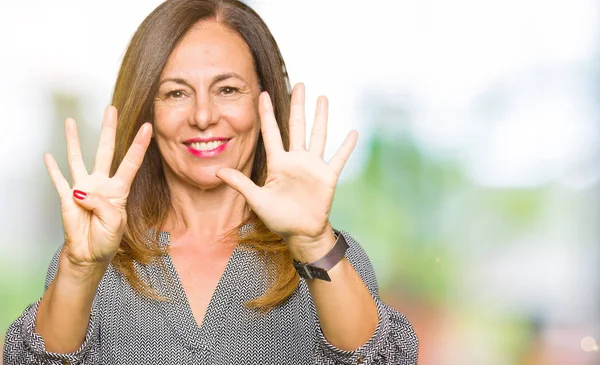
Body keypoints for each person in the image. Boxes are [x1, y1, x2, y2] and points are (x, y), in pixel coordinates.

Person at [3, 0, 418, 363]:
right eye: (176, 94)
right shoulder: (93, 256)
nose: (203, 116)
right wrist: (79, 270)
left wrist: (314, 243)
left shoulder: (329, 256)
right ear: (148, 108)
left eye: (227, 89)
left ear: (264, 101)